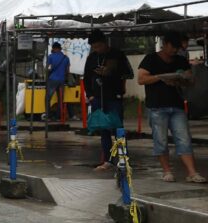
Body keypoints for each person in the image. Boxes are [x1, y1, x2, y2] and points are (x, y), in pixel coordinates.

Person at [137, 31, 206, 183]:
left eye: (177, 48)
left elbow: (190, 80)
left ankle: (192, 172)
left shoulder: (180, 60)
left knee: (184, 139)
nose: (175, 50)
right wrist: (160, 77)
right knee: (161, 140)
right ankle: (167, 171)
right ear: (165, 44)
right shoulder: (151, 59)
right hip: (156, 106)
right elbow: (141, 79)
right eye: (172, 47)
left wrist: (181, 79)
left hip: (177, 105)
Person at [83, 30, 133, 171]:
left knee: (118, 128)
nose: (97, 49)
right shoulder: (92, 58)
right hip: (98, 97)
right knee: (103, 129)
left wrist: (111, 72)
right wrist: (90, 95)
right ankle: (107, 160)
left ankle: (123, 158)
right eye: (94, 47)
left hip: (114, 96)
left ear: (105, 43)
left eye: (99, 46)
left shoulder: (117, 54)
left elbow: (128, 73)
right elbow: (86, 77)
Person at [44, 41, 70, 121]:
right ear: (60, 49)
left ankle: (48, 116)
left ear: (54, 48)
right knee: (60, 99)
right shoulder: (66, 58)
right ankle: (58, 117)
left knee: (48, 98)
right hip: (61, 80)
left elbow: (47, 68)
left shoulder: (51, 56)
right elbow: (67, 71)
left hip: (52, 80)